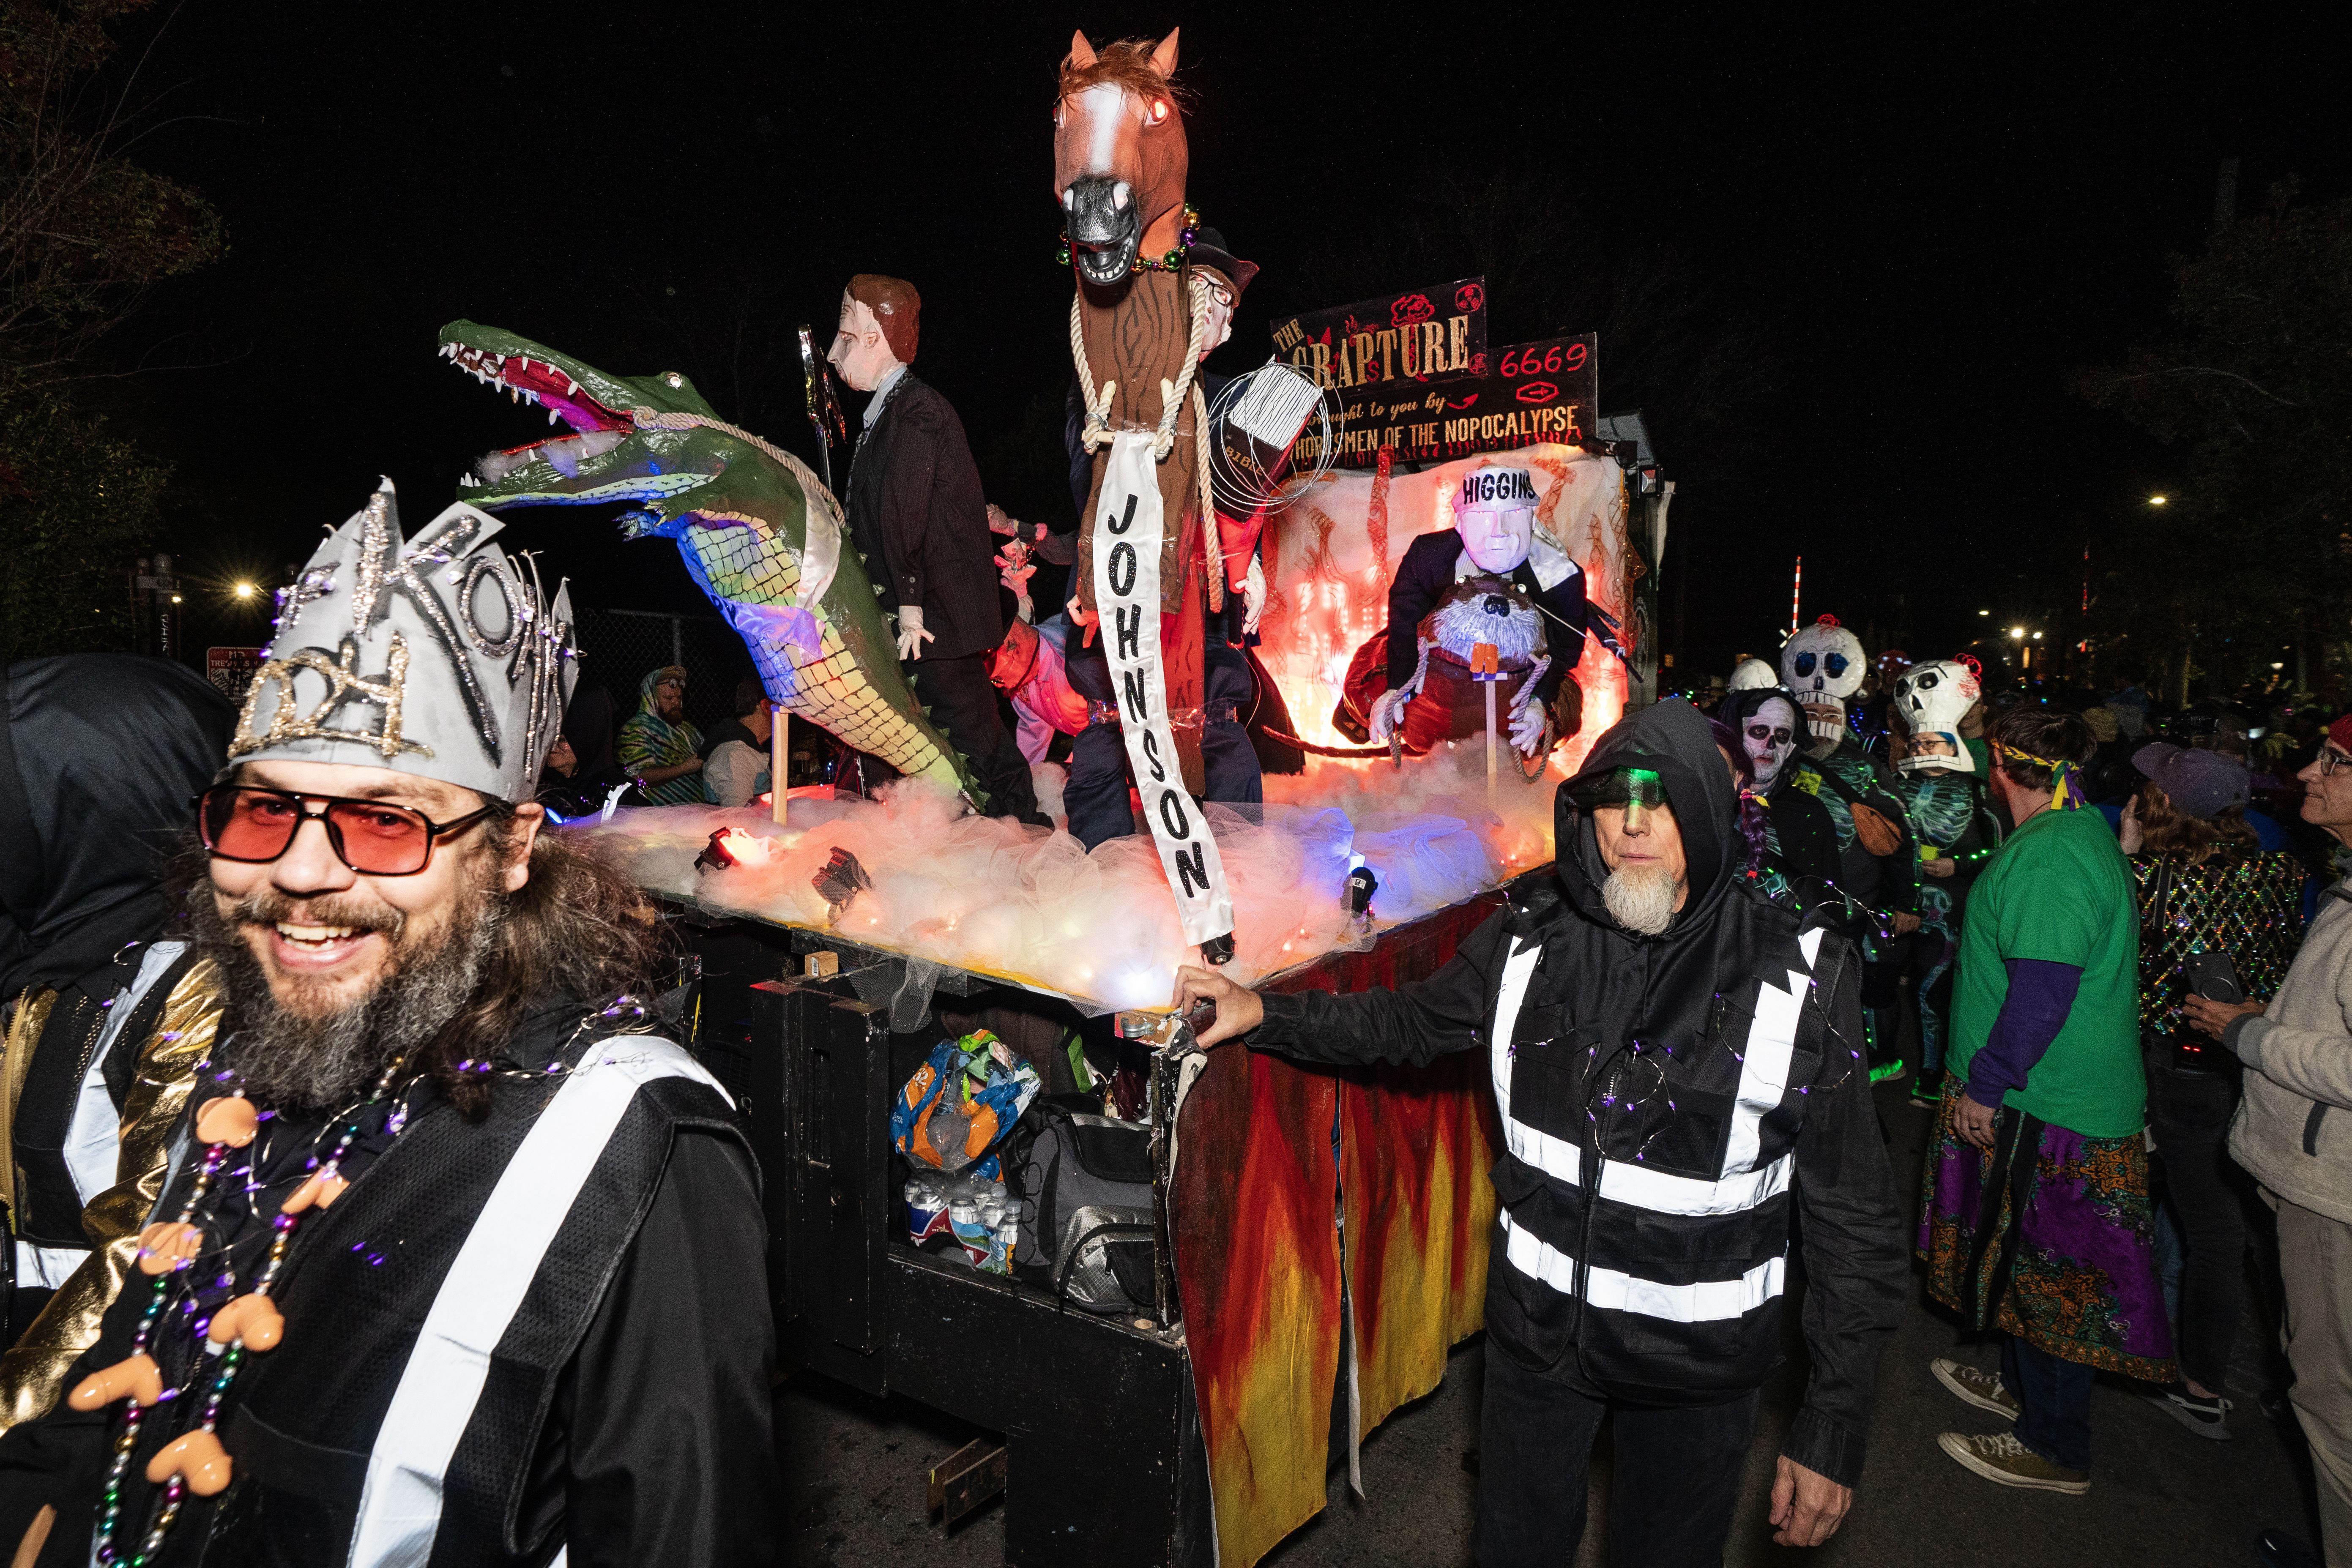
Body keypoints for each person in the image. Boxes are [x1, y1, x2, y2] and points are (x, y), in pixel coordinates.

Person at [0, 482, 774, 1563]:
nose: (299, 875)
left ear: (509, 850)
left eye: (383, 826)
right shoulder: (254, 1039)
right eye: (263, 810)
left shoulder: (629, 1140)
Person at [1173, 699, 1908, 1567]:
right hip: (1536, 1348)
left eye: (1661, 800)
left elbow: (1853, 1217)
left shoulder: (1798, 969)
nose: (1632, 826)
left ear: (1709, 812)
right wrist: (1265, 1011)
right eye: (1612, 800)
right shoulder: (1529, 935)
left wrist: (1831, 1421)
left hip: (1697, 1374)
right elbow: (1406, 1024)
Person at [1922, 705, 2174, 1496]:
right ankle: (2026, 1390)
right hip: (2047, 1099)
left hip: (2048, 1106)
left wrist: (1986, 1086)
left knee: (2052, 1276)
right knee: (2020, 1260)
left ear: (1998, 767)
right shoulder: (2064, 833)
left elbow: (2039, 996)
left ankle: (2054, 1442)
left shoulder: (2052, 856)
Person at [0, 656, 234, 1429]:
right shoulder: (59, 950)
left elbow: (151, 1243)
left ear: (93, 798)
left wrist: (17, 1409)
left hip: (96, 1401)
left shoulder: (201, 984)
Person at [2184, 714, 2352, 1568]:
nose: (2306, 770)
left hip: (2336, 1197)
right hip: (2315, 1181)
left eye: (2333, 761)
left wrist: (2250, 1034)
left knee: (2332, 1401)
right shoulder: (2328, 879)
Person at [2118, 741, 2303, 1440]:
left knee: (2213, 1234)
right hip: (2251, 1064)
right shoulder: (2279, 869)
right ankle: (2292, 1382)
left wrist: (2128, 858)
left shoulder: (2160, 875)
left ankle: (2198, 1385)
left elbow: (2129, 970)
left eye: (2149, 786)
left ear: (2166, 804)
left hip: (2178, 1067)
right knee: (2248, 1229)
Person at [1060, 231, 1263, 848]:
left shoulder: (1227, 396)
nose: (1223, 326)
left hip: (1200, 611)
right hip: (1124, 589)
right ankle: (1107, 879)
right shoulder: (1112, 380)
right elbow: (1088, 478)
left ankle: (1241, 871)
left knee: (1217, 723)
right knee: (1112, 730)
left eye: (1230, 311)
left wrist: (1244, 562)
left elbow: (1237, 494)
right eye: (1212, 302)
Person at [830, 273, 1040, 825]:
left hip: (933, 622)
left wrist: (909, 603)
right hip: (904, 618)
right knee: (892, 743)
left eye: (846, 337)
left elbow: (907, 515)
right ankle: (909, 846)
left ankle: (1028, 841)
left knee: (973, 737)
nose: (834, 353)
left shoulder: (920, 411)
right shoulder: (883, 416)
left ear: (877, 337)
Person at [1780, 616, 1922, 1078]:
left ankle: (1865, 1066)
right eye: (1807, 721)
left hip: (1853, 904)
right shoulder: (1774, 760)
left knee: (1852, 988)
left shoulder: (1863, 770)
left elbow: (1902, 836)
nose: (1817, 730)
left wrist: (1906, 900)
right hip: (1789, 904)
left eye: (1827, 719)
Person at [1886, 659, 2004, 1106]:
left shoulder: (1978, 792)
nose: (1923, 746)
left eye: (1932, 739)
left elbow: (1999, 851)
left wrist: (1960, 863)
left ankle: (1949, 1072)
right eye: (1918, 740)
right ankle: (1920, 1068)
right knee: (1914, 989)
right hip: (1910, 906)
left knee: (1948, 992)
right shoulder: (1897, 788)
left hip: (1959, 909)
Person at [1719, 685, 1842, 918]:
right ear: (1735, 735)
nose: (1771, 744)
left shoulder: (1808, 814)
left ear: (1791, 748)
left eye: (1782, 736)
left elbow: (1827, 906)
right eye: (1759, 731)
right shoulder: (1708, 803)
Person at [615, 664, 710, 806]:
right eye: (669, 698)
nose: (676, 703)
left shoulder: (688, 730)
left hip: (698, 812)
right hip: (659, 816)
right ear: (651, 697)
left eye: (679, 697)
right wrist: (684, 768)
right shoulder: (635, 729)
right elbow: (639, 777)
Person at [700, 675, 775, 809]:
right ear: (766, 707)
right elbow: (738, 818)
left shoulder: (746, 749)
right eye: (780, 705)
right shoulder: (735, 754)